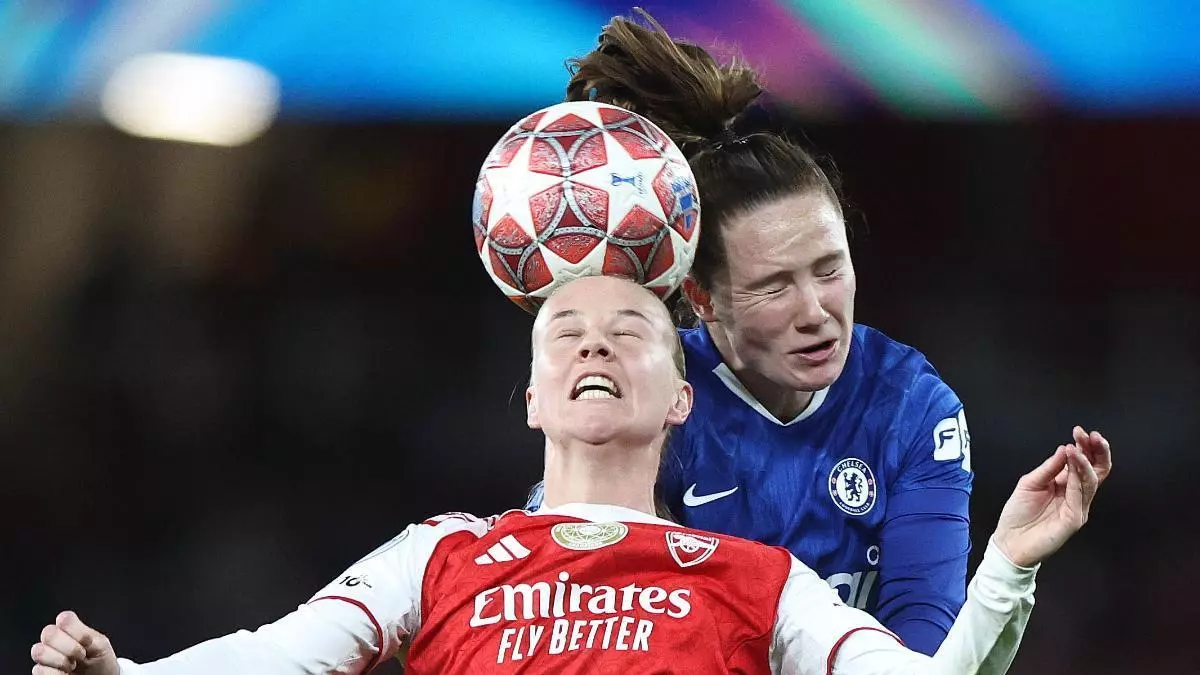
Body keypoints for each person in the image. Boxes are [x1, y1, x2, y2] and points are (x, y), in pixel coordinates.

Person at [31, 274, 1110, 675]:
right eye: (566, 333)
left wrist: (1008, 563)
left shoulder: (759, 579)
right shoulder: (442, 555)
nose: (595, 343)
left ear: (681, 396)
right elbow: (279, 658)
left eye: (631, 330)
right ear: (533, 397)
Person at [524, 11, 1113, 655]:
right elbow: (576, 610)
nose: (815, 311)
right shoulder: (654, 400)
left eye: (830, 270)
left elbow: (925, 655)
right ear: (702, 299)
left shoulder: (910, 407)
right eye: (775, 286)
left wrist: (1009, 565)